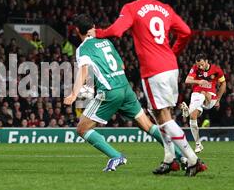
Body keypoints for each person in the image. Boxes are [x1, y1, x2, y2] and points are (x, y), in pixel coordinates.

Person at [87, 0, 206, 176]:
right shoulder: (165, 9)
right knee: (160, 114)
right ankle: (170, 159)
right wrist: (173, 51)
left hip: (153, 69)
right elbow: (186, 32)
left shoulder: (132, 8)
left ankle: (193, 160)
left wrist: (97, 32)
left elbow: (116, 31)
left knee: (164, 117)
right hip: (171, 66)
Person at [64, 14, 184, 172]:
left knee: (82, 129)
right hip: (125, 88)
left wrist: (74, 94)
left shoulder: (82, 49)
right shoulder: (106, 41)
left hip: (110, 91)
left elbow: (84, 70)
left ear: (77, 30)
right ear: (93, 26)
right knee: (148, 125)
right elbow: (121, 66)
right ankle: (181, 156)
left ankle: (115, 156)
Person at [180, 54, 226, 153]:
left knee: (203, 93)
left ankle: (187, 111)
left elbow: (223, 83)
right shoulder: (195, 68)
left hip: (210, 97)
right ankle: (198, 144)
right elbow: (187, 80)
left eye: (201, 64)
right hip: (197, 96)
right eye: (198, 65)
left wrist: (218, 99)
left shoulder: (216, 70)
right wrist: (199, 81)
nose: (200, 67)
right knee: (193, 117)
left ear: (206, 61)